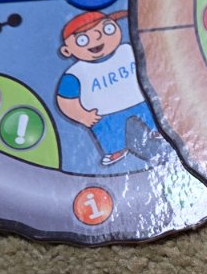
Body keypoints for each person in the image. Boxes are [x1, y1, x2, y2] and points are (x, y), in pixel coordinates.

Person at [55, 9, 157, 165]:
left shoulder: (128, 50)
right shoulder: (75, 73)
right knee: (109, 132)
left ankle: (158, 130)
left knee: (151, 116)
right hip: (104, 113)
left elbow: (150, 64)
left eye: (107, 29)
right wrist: (83, 115)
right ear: (66, 50)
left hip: (140, 100)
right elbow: (65, 99)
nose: (97, 38)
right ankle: (115, 150)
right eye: (82, 40)